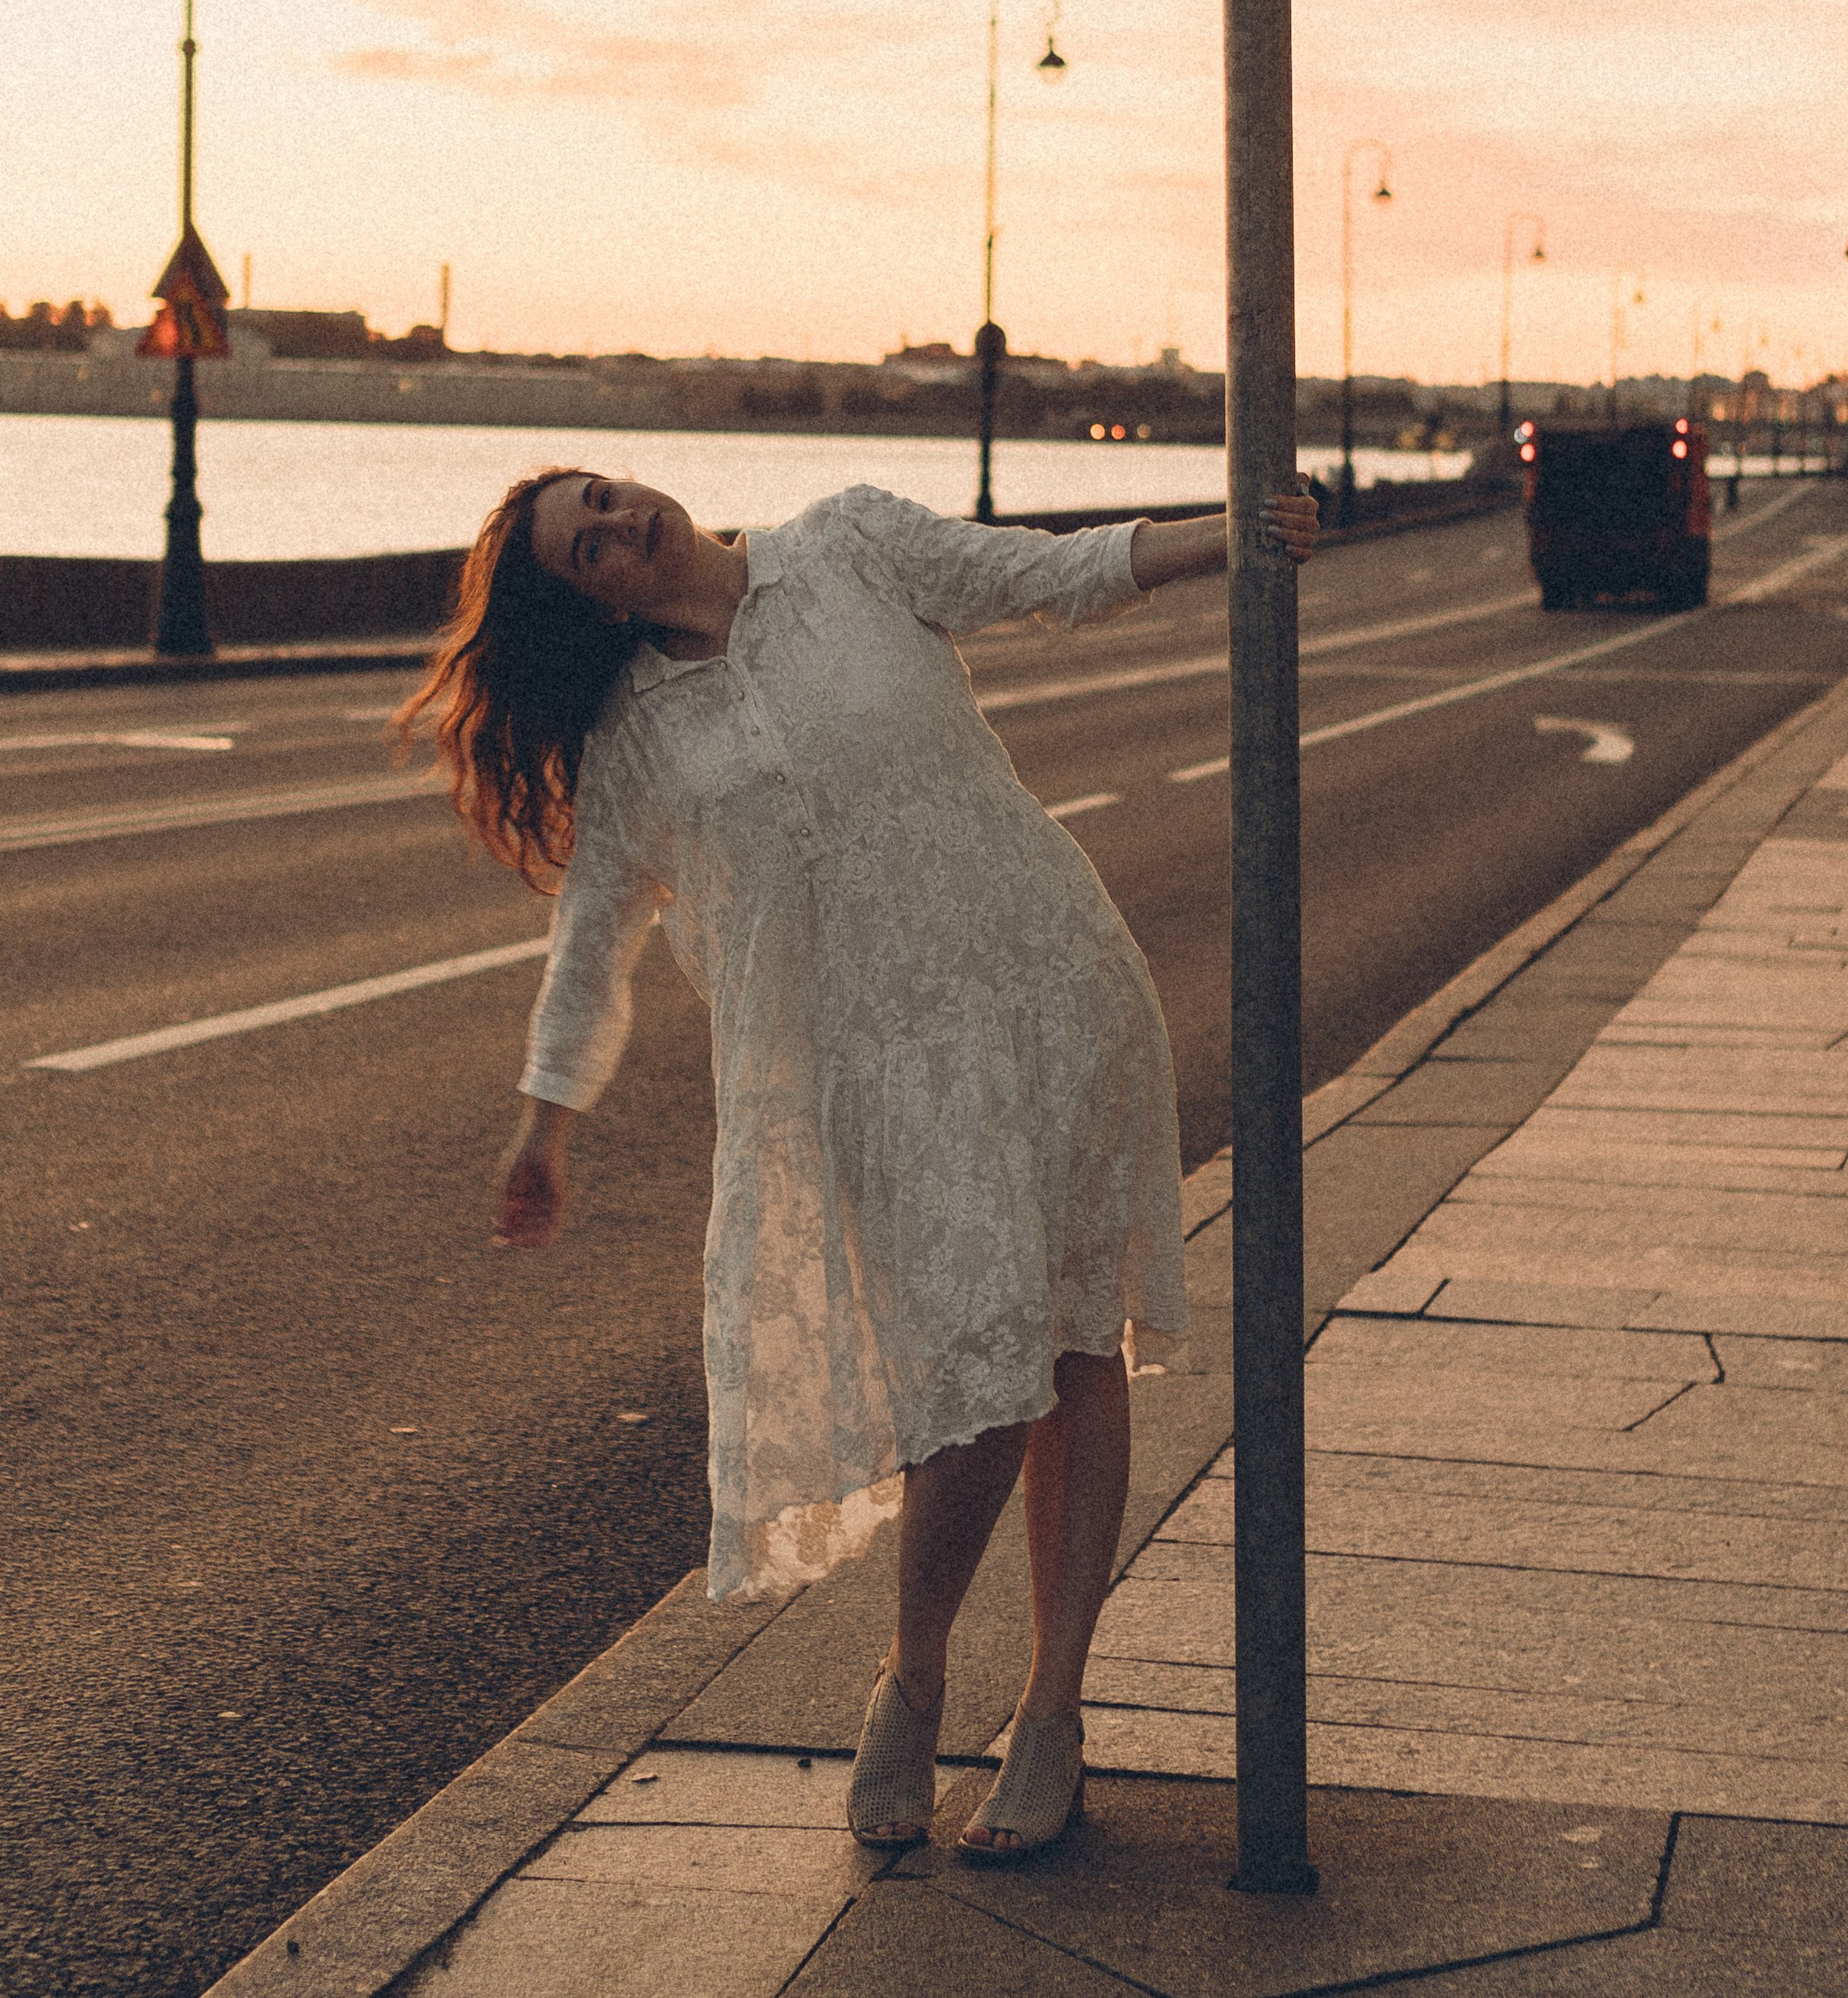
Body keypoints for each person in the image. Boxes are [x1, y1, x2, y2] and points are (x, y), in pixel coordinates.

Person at [403, 470, 1319, 1862]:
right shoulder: (633, 735)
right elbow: (593, 935)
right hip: (867, 1071)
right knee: (972, 1375)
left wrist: (1232, 534)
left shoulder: (850, 546)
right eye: (587, 549)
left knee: (1076, 1345)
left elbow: (1042, 574)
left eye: (603, 496)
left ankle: (1053, 1712)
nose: (618, 524)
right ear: (593, 602)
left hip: (1047, 989)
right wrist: (547, 1120)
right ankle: (918, 1672)